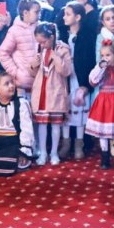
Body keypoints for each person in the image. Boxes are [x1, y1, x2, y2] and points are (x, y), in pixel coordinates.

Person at [30, 22, 72, 166]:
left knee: (55, 124)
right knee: (41, 124)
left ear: (52, 37)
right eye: (39, 42)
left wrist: (56, 57)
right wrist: (33, 64)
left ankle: (54, 152)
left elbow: (66, 71)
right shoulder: (39, 49)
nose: (41, 45)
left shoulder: (63, 49)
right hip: (41, 90)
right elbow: (33, 73)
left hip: (55, 90)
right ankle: (43, 152)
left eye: (44, 41)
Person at [58, 1, 94, 161]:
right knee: (66, 108)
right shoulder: (62, 35)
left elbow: (90, 61)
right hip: (65, 78)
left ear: (78, 17)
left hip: (80, 78)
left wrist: (86, 85)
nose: (64, 17)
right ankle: (66, 143)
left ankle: (79, 144)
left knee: (80, 109)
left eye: (68, 14)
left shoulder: (87, 36)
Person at [86, 40, 114, 170]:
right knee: (103, 131)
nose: (105, 58)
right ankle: (105, 155)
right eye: (102, 55)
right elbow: (93, 81)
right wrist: (100, 67)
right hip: (103, 102)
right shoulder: (100, 69)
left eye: (108, 55)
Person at [0, 0, 43, 98]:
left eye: (40, 12)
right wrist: (16, 73)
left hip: (41, 80)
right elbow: (3, 52)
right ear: (25, 13)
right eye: (36, 12)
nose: (39, 15)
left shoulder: (41, 28)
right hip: (23, 85)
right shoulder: (14, 31)